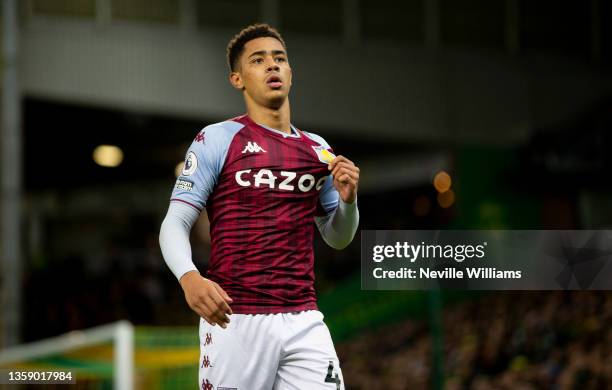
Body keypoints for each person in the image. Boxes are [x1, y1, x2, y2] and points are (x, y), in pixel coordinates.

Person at [159, 23, 359, 390]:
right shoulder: (217, 139)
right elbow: (175, 222)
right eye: (259, 60)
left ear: (290, 73)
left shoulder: (318, 150)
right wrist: (188, 277)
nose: (272, 66)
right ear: (237, 79)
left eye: (279, 59)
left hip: (304, 318)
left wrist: (349, 201)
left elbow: (338, 237)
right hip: (235, 318)